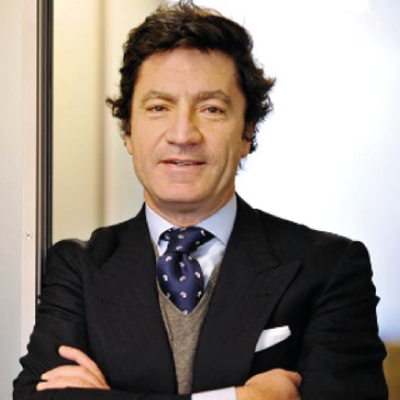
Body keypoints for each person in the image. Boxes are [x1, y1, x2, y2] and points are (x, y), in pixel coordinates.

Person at [14, 1, 388, 399]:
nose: (182, 135)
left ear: (247, 132)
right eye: (158, 107)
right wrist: (241, 397)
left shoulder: (329, 268)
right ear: (128, 130)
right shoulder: (78, 268)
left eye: (211, 109)